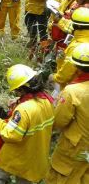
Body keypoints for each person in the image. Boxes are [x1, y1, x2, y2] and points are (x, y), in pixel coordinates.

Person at [0, 64, 54, 184]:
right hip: (36, 156)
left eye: (17, 90)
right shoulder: (47, 101)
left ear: (22, 89)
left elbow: (11, 135)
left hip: (17, 155)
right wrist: (18, 103)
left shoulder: (23, 109)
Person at [46, 43, 89, 184]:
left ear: (76, 67)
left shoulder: (72, 92)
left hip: (75, 148)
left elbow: (59, 121)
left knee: (62, 175)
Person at [53, 7, 89, 88]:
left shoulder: (77, 46)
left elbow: (64, 76)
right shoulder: (81, 38)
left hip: (71, 87)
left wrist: (54, 78)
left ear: (77, 26)